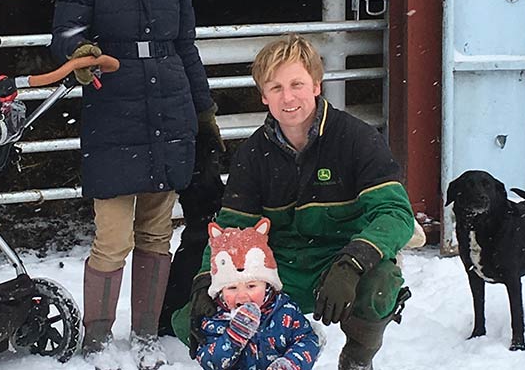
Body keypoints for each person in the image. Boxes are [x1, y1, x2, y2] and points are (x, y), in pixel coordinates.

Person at [49, 0, 222, 369]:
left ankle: (146, 336)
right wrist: (79, 54)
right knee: (112, 238)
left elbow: (185, 44)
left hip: (170, 108)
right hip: (113, 103)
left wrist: (204, 112)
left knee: (155, 232)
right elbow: (65, 28)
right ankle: (97, 341)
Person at [173, 34, 415, 370]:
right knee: (189, 319)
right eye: (275, 88)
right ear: (263, 95)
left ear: (316, 85)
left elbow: (396, 214)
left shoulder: (357, 139)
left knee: (380, 287)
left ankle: (357, 360)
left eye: (297, 84)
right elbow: (230, 232)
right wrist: (205, 280)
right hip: (278, 267)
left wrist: (352, 262)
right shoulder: (253, 154)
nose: (288, 98)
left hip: (341, 263)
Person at [195, 217, 321, 370]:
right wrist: (233, 338)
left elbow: (308, 340)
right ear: (220, 290)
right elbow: (207, 360)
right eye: (232, 288)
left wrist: (290, 363)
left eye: (251, 286)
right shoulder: (215, 318)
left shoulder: (284, 311)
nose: (242, 296)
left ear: (267, 284)